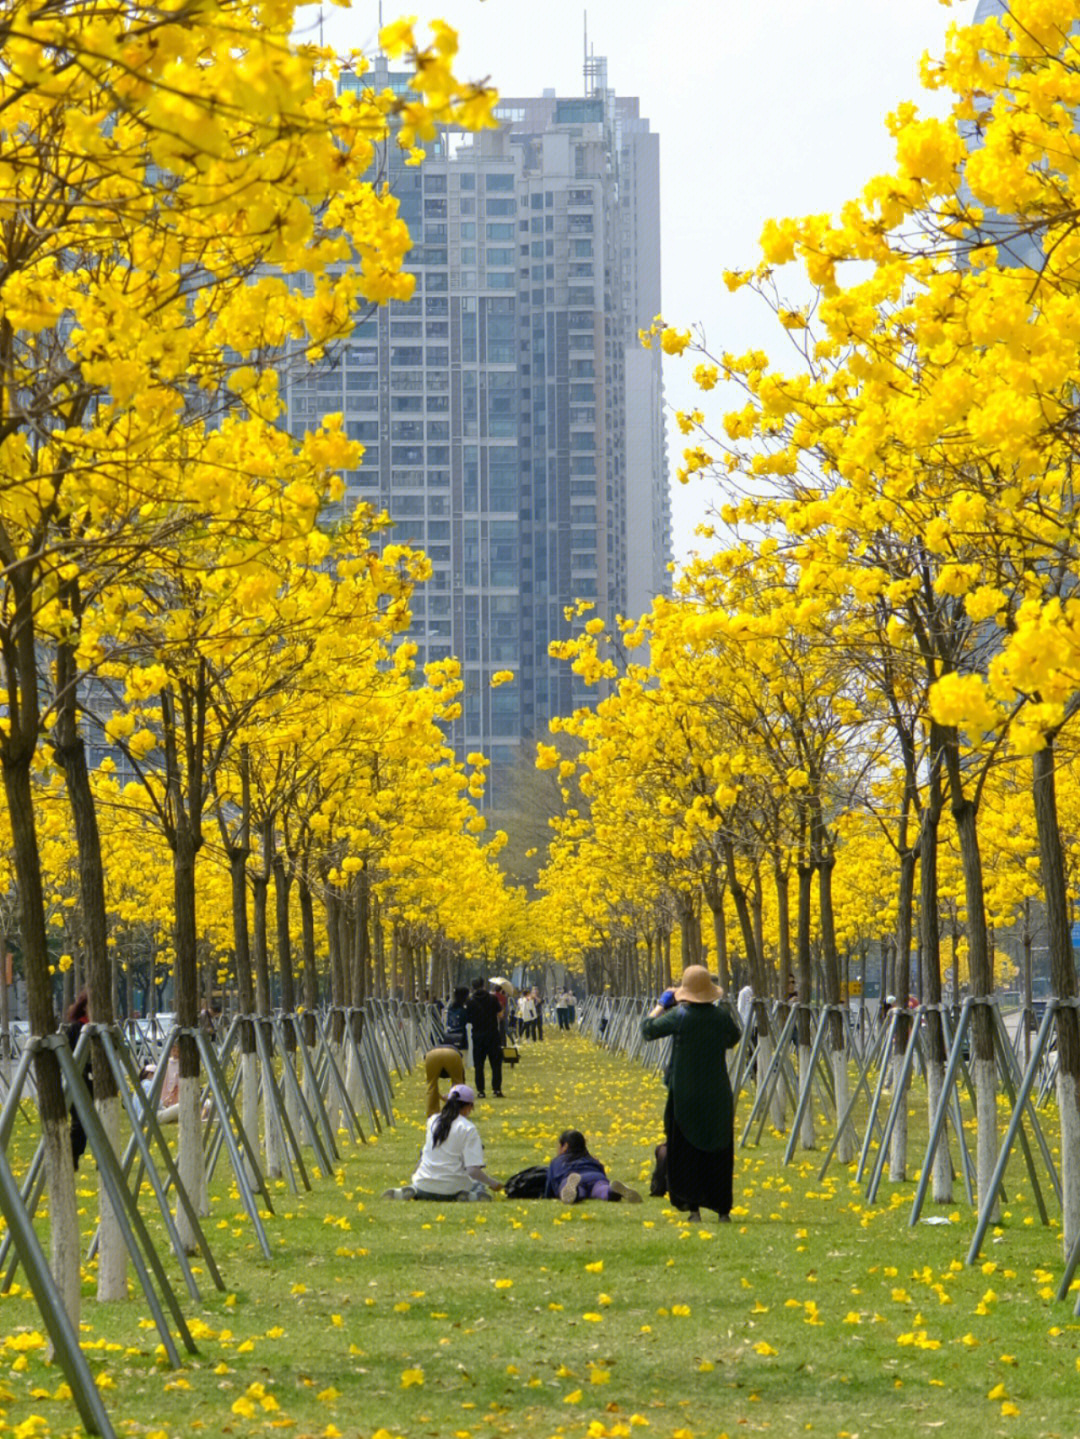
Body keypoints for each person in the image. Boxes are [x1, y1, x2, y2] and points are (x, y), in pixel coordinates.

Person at [641, 965, 741, 1224]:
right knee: (719, 1152)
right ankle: (722, 1211)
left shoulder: (680, 1016)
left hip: (685, 1095)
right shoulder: (721, 1016)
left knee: (686, 1152)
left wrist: (662, 1004)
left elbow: (647, 1029)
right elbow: (734, 1037)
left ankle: (693, 1208)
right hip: (717, 1094)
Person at [383, 1084, 503, 1201]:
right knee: (478, 1185)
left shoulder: (433, 1120)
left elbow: (424, 1154)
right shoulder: (468, 1128)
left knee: (422, 1185)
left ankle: (413, 1189)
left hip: (423, 1183)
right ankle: (468, 1196)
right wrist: (494, 1183)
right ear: (468, 1107)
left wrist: (415, 1175)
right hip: (452, 1188)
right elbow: (473, 1171)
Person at [544, 1129, 641, 1204]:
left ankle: (575, 1191)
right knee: (600, 1189)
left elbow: (550, 1187)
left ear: (565, 1146)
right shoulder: (592, 1159)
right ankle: (611, 1191)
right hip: (595, 1177)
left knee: (578, 1191)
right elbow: (601, 1172)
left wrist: (548, 1196)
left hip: (572, 1176)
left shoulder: (557, 1161)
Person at [64, 990, 91, 1169]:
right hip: (79, 1081)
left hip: (96, 1082)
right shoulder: (75, 1029)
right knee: (80, 1123)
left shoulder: (102, 1027)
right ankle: (72, 1154)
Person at [466, 977, 503, 1098]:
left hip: (477, 1035)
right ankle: (496, 1089)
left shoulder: (470, 1001)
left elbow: (468, 1018)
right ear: (483, 986)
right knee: (496, 1064)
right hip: (492, 1034)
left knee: (479, 1065)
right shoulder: (492, 998)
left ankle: (480, 1090)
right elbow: (500, 1014)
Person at [423, 1043, 466, 1118]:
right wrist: (450, 1098)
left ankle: (432, 1114)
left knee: (431, 1085)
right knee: (458, 1084)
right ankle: (457, 1112)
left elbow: (432, 1089)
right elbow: (462, 1085)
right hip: (452, 1054)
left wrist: (442, 1097)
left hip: (431, 1054)